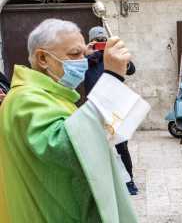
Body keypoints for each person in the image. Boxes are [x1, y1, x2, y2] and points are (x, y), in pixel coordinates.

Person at [0, 19, 149, 223]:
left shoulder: (51, 95)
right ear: (42, 58)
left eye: (84, 54)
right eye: (74, 54)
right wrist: (112, 77)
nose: (83, 61)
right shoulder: (25, 99)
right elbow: (67, 148)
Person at [85, 26, 138, 195]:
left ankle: (129, 182)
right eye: (97, 41)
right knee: (98, 148)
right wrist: (86, 55)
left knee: (121, 147)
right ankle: (104, 183)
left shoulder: (113, 56)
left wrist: (119, 54)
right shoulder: (85, 58)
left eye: (103, 40)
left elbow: (131, 69)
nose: (101, 44)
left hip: (115, 108)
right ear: (91, 41)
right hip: (95, 109)